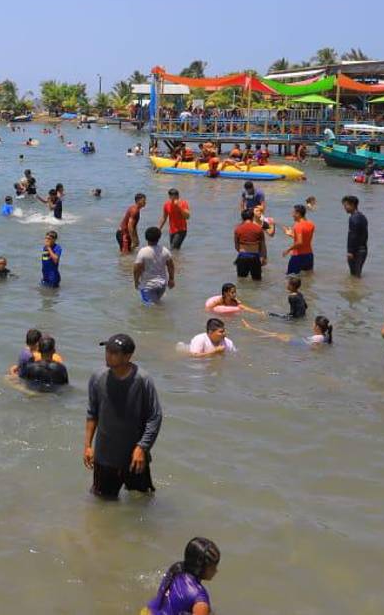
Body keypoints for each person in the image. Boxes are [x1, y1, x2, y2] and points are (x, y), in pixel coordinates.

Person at [84, 333, 162, 499]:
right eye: (107, 350)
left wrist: (142, 447)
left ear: (128, 356)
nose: (108, 355)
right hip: (104, 457)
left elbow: (154, 417)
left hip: (135, 457)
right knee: (102, 504)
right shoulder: (97, 378)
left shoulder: (143, 380)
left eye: (114, 352)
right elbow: (92, 413)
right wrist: (88, 446)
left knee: (142, 501)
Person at [142, 537, 221, 615]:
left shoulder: (176, 568)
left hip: (147, 611)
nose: (216, 571)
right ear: (201, 567)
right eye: (213, 567)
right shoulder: (200, 598)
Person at [133, 226, 174, 304]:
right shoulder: (165, 250)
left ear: (146, 238)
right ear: (159, 237)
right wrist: (171, 279)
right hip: (162, 286)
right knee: (157, 304)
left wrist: (136, 281)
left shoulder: (143, 252)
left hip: (148, 286)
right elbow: (171, 265)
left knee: (149, 308)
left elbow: (136, 268)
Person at [232, 208, 266, 281]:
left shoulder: (238, 229)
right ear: (252, 217)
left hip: (243, 256)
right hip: (255, 257)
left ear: (242, 218)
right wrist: (263, 257)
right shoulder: (258, 229)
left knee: (241, 280)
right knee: (257, 281)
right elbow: (263, 245)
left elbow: (236, 246)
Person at [282, 204, 315, 275]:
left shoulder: (298, 226)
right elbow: (305, 239)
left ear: (298, 214)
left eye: (293, 213)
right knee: (307, 278)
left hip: (298, 256)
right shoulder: (311, 224)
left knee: (290, 277)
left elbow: (300, 242)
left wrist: (288, 250)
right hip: (309, 255)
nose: (292, 215)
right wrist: (291, 234)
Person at [342, 195, 368, 277]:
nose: (345, 208)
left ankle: (353, 289)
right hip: (363, 249)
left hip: (356, 251)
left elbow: (353, 235)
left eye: (346, 205)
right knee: (357, 275)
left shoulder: (353, 218)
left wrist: (350, 251)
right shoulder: (362, 217)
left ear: (352, 205)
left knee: (354, 276)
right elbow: (365, 235)